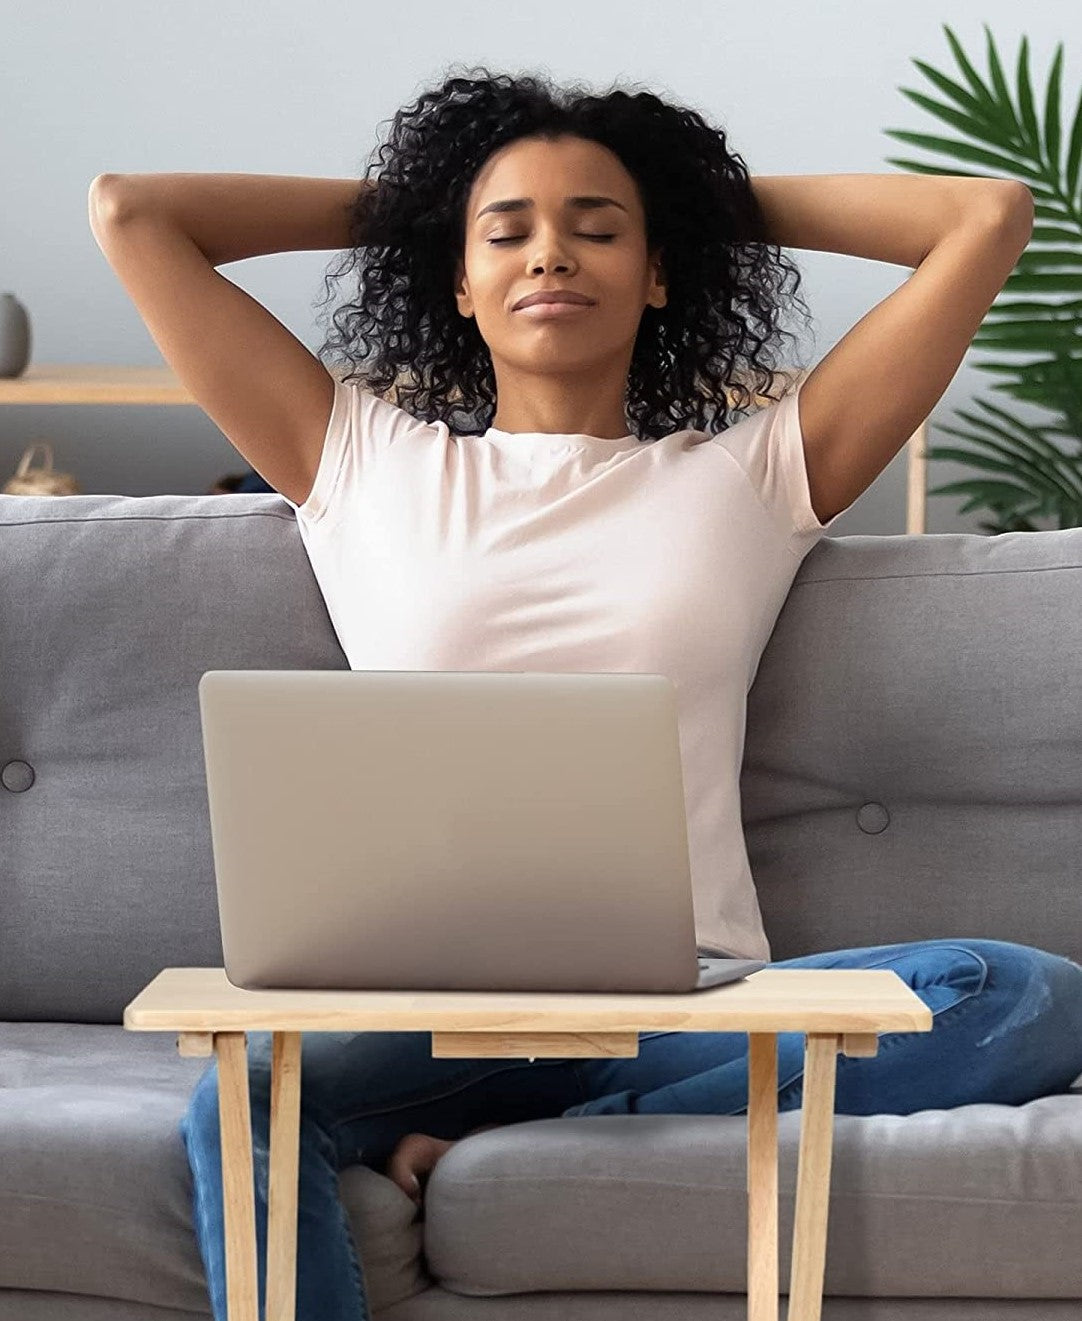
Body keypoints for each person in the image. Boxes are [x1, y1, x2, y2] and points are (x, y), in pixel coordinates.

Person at [92, 65, 1078, 1321]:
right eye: (506, 235)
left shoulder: (758, 473)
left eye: (598, 230)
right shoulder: (355, 459)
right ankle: (550, 1129)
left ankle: (573, 1127)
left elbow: (982, 219)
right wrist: (445, 198)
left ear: (660, 270)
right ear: (455, 278)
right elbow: (133, 214)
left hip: (691, 998)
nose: (549, 254)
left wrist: (677, 196)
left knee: (1025, 997)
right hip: (421, 1010)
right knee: (247, 1100)